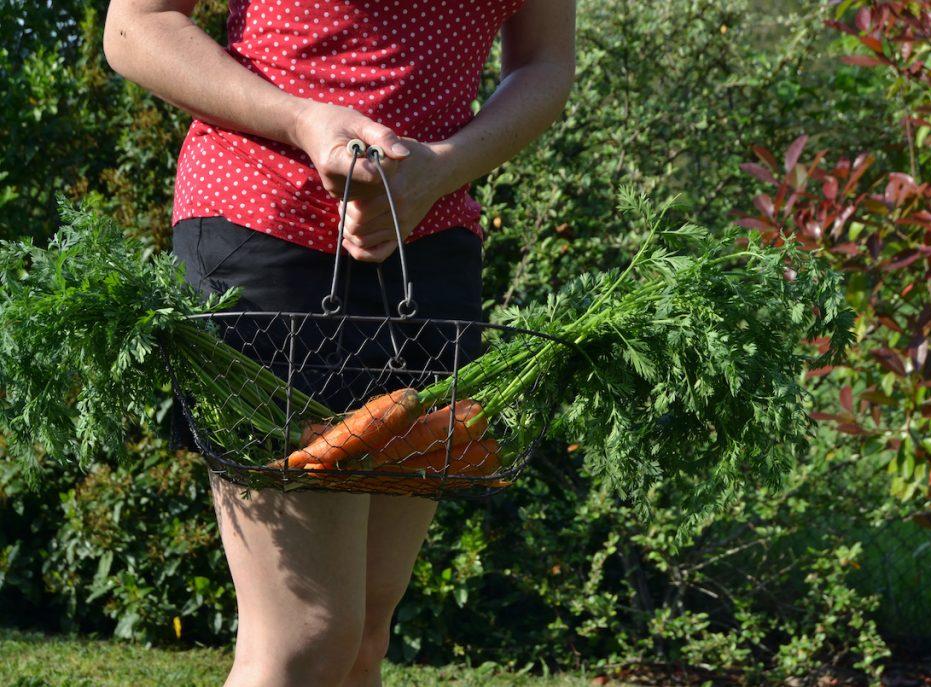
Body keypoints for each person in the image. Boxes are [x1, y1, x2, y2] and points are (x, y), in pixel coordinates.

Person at [101, 1, 576, 685]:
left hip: (429, 249)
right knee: (305, 635)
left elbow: (544, 63)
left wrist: (440, 168)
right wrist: (302, 118)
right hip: (264, 221)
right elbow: (135, 26)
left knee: (363, 636)